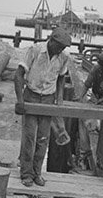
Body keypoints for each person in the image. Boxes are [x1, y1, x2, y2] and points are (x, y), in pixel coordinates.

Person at [15, 26, 72, 187]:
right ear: (51, 40)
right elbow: (18, 75)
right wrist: (20, 100)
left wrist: (59, 98)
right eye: (59, 46)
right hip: (31, 96)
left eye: (64, 48)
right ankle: (26, 173)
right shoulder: (35, 50)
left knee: (43, 138)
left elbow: (61, 77)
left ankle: (37, 172)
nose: (61, 50)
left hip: (48, 98)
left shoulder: (64, 56)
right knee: (29, 137)